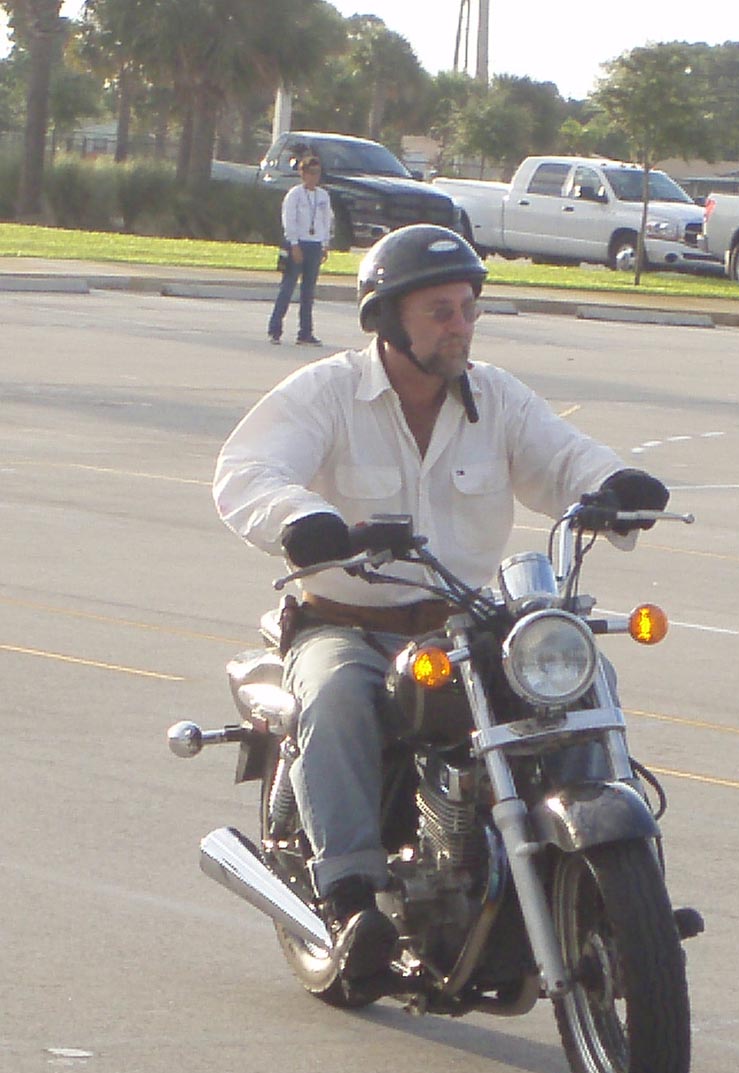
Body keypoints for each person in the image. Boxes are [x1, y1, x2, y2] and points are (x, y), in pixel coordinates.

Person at [215, 224, 669, 981]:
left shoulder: (495, 397)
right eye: (439, 312)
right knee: (336, 696)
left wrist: (614, 484)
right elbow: (248, 469)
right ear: (387, 320)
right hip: (350, 623)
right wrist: (302, 521)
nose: (460, 326)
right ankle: (349, 896)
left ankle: (617, 886)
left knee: (580, 678)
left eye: (466, 309)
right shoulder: (328, 393)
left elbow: (563, 456)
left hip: (464, 622)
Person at [267, 152, 332, 346]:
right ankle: (275, 329)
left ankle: (305, 332)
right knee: (288, 287)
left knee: (308, 291)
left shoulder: (323, 195)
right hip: (298, 243)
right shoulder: (294, 195)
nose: (314, 177)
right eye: (310, 172)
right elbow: (289, 220)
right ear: (302, 173)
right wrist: (294, 244)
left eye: (317, 172)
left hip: (315, 244)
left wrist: (325, 243)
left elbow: (326, 220)